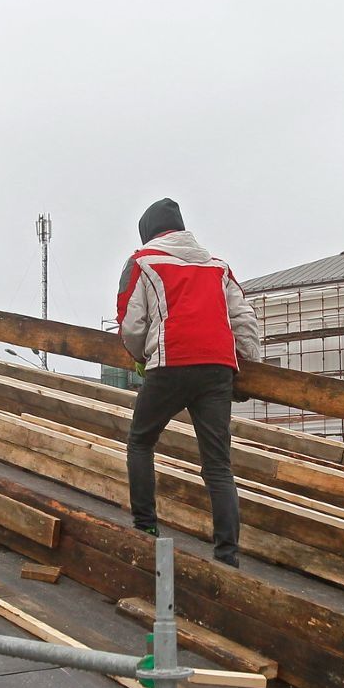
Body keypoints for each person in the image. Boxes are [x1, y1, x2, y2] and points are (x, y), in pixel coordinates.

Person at [116, 198, 260, 567]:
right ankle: (227, 555)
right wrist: (249, 365)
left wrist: (139, 356)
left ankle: (146, 527)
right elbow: (244, 318)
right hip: (217, 369)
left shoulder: (143, 262)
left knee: (141, 441)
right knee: (217, 465)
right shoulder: (218, 267)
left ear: (148, 232)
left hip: (171, 363)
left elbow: (132, 324)